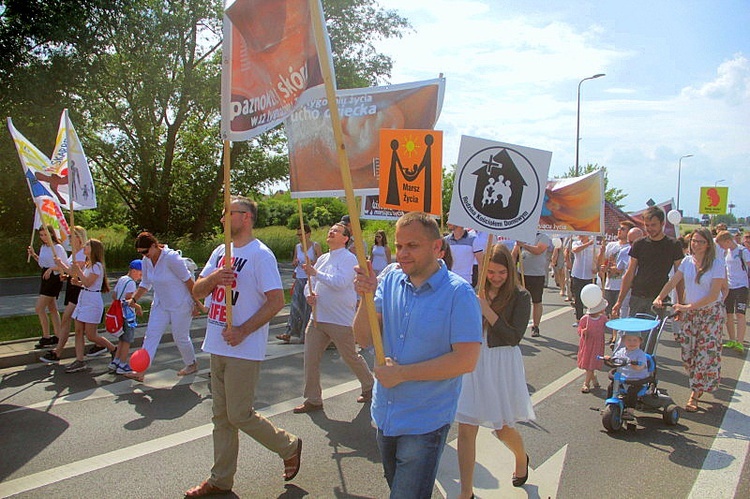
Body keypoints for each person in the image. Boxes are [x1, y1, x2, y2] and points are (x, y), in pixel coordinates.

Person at [353, 211, 482, 499]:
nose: (402, 254)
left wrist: (402, 374)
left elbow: (466, 360)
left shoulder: (459, 294)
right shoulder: (388, 280)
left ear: (437, 248)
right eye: (399, 246)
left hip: (425, 421)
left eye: (412, 246)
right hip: (385, 415)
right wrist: (364, 297)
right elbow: (362, 337)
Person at [187, 196, 301, 496]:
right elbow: (197, 290)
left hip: (244, 347)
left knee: (239, 414)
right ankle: (220, 479)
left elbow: (277, 300)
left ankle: (288, 445)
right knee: (221, 418)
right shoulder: (219, 252)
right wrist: (214, 277)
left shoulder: (260, 255)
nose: (223, 219)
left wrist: (243, 330)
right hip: (217, 342)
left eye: (229, 214)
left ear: (246, 217)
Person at [455, 243, 535, 497]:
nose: (496, 277)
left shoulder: (521, 296)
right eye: (491, 272)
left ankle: (521, 457)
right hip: (472, 361)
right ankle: (466, 492)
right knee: (466, 428)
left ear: (510, 271)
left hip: (501, 364)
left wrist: (486, 309)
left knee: (502, 428)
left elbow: (513, 337)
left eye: (502, 272)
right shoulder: (472, 291)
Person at [293, 222, 374, 413]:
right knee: (310, 358)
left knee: (350, 356)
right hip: (318, 318)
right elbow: (310, 283)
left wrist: (315, 273)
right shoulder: (322, 258)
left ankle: (369, 385)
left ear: (345, 238)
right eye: (331, 230)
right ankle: (313, 399)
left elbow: (340, 283)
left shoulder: (349, 258)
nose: (331, 232)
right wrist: (308, 295)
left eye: (336, 231)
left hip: (340, 319)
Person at [653, 228, 726, 412]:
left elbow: (713, 294)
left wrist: (686, 307)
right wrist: (660, 297)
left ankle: (695, 393)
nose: (696, 244)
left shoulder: (716, 264)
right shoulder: (686, 261)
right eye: (693, 241)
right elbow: (673, 282)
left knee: (703, 354)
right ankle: (701, 381)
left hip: (710, 314)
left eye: (700, 241)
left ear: (708, 244)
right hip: (690, 314)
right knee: (687, 353)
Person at [126, 232, 201, 380]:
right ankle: (140, 371)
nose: (144, 255)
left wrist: (196, 303)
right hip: (161, 304)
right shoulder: (147, 260)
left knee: (180, 336)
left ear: (154, 245)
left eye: (145, 251)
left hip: (180, 303)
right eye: (141, 253)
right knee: (151, 335)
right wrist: (134, 299)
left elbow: (188, 281)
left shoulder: (171, 258)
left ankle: (191, 364)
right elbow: (146, 283)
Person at [54, 239, 116, 373]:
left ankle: (113, 349)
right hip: (83, 298)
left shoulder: (97, 266)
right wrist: (75, 281)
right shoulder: (88, 264)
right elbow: (83, 282)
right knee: (78, 331)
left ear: (94, 249)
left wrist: (78, 272)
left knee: (91, 335)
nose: (85, 247)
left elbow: (88, 282)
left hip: (92, 301)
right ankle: (79, 360)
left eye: (87, 245)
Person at [613, 206, 684, 318]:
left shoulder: (673, 245)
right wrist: (619, 301)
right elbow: (630, 273)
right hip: (637, 296)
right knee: (632, 334)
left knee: (650, 335)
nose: (650, 229)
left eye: (653, 225)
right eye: (647, 225)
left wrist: (680, 303)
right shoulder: (638, 244)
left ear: (662, 223)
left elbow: (679, 276)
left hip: (658, 300)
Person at [40, 225, 86, 364]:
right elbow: (71, 272)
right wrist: (65, 275)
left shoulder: (83, 253)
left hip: (79, 291)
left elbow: (76, 273)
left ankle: (58, 352)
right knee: (80, 329)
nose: (69, 240)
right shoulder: (74, 253)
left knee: (67, 320)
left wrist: (61, 265)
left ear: (78, 238)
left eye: (71, 237)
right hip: (72, 288)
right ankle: (102, 346)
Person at [277, 224, 321, 344]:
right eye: (298, 234)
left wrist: (312, 263)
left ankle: (305, 333)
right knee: (295, 306)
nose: (299, 237)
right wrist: (295, 262)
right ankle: (289, 332)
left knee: (307, 308)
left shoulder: (315, 246)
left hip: (310, 279)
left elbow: (321, 262)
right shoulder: (297, 247)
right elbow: (294, 261)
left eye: (301, 234)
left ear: (308, 234)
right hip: (300, 278)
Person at [27, 225, 67, 349]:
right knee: (52, 308)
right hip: (45, 277)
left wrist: (52, 268)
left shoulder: (58, 248)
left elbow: (65, 266)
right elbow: (42, 263)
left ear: (51, 234)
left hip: (54, 278)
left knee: (39, 308)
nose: (44, 238)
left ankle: (46, 336)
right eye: (41, 235)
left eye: (46, 235)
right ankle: (58, 335)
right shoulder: (44, 247)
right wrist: (33, 255)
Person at [108, 260, 144, 375]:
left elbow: (114, 295)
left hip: (119, 314)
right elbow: (129, 300)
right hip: (127, 316)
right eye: (140, 274)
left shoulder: (122, 279)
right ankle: (122, 364)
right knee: (127, 341)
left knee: (121, 340)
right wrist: (138, 307)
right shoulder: (131, 283)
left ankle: (115, 362)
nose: (140, 277)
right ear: (134, 271)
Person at [513, 232, 552, 337]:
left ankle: (535, 326)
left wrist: (523, 245)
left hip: (536, 274)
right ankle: (517, 325)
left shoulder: (543, 237)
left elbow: (538, 250)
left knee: (536, 301)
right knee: (518, 301)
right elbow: (514, 254)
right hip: (522, 273)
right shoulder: (522, 235)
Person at [716, 230, 749, 352]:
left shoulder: (742, 251)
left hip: (741, 286)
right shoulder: (726, 253)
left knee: (740, 314)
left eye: (722, 244)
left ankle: (740, 342)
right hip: (729, 287)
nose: (721, 247)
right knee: (728, 314)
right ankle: (732, 340)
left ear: (728, 241)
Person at [603, 331, 650, 410]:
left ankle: (630, 409)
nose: (632, 343)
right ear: (623, 341)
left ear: (640, 341)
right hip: (623, 378)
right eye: (629, 340)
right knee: (611, 386)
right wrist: (608, 359)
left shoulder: (640, 354)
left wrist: (634, 364)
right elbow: (615, 360)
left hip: (637, 380)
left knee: (632, 391)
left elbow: (641, 367)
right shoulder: (621, 351)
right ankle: (609, 405)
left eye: (635, 340)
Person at [577, 297, 608, 393]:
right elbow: (579, 330)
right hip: (587, 344)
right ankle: (593, 378)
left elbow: (608, 326)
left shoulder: (603, 318)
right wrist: (583, 331)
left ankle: (586, 383)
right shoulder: (585, 319)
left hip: (597, 344)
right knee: (588, 363)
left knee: (592, 363)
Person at [570, 235, 596, 324]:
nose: (579, 236)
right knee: (578, 298)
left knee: (591, 298)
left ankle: (591, 319)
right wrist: (588, 244)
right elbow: (575, 250)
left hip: (590, 275)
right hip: (578, 274)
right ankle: (579, 319)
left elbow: (598, 256)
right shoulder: (576, 242)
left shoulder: (594, 243)